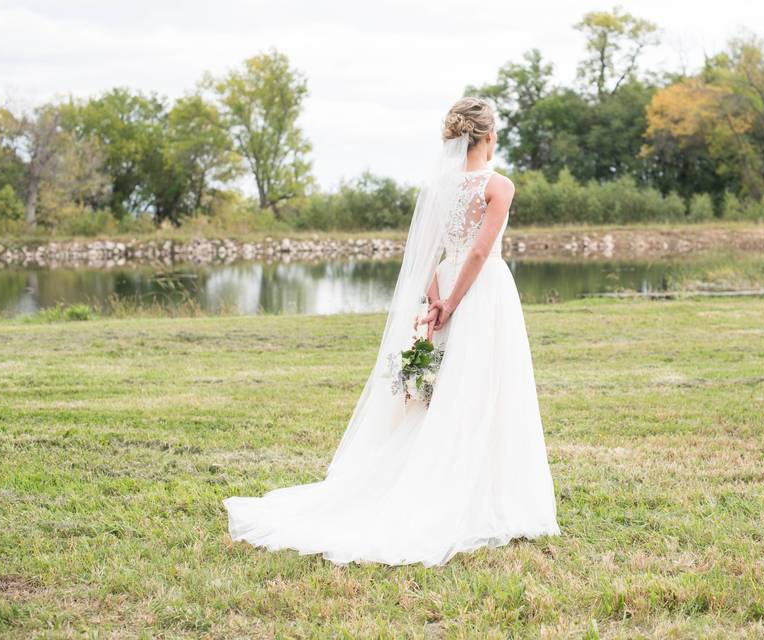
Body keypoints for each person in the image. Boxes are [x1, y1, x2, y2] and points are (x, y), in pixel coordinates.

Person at [222, 97, 561, 567]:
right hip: (481, 294)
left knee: (446, 392)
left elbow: (423, 254)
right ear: (488, 136)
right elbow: (481, 255)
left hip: (446, 284)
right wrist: (452, 302)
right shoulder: (498, 186)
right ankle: (481, 492)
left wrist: (433, 300)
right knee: (484, 387)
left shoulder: (439, 188)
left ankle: (460, 482)